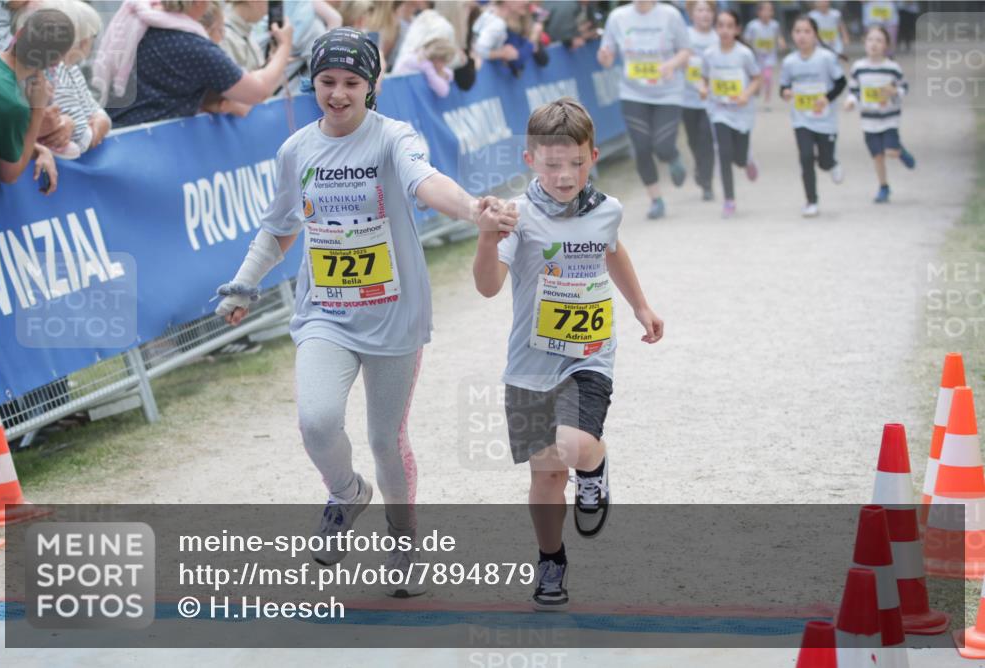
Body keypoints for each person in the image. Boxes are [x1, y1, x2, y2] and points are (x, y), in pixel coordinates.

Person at [214, 28, 517, 596]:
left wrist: (474, 209)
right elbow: (279, 229)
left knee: (385, 439)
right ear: (313, 83)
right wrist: (243, 286)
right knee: (317, 420)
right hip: (325, 313)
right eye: (327, 81)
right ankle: (347, 493)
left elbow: (427, 183)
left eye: (351, 82)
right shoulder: (296, 149)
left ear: (371, 85)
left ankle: (403, 546)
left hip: (394, 315)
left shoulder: (393, 138)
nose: (337, 93)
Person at [472, 97, 664, 611]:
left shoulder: (607, 209)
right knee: (547, 474)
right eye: (552, 164)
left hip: (589, 355)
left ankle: (595, 464)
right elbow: (489, 287)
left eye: (576, 163)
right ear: (529, 160)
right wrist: (488, 239)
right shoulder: (518, 215)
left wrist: (641, 306)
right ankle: (551, 559)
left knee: (571, 449)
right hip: (529, 367)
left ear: (593, 156)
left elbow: (613, 249)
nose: (564, 176)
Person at [96, 0, 293, 127]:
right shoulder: (190, 44)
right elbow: (256, 91)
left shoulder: (140, 22)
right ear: (198, 3)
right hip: (151, 148)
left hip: (123, 134)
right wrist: (284, 45)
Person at [597, 0, 691, 220]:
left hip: (668, 92)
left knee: (663, 146)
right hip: (633, 93)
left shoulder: (670, 15)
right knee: (641, 146)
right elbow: (607, 55)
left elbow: (685, 50)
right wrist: (605, 57)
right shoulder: (618, 17)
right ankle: (656, 199)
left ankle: (672, 155)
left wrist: (671, 64)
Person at [0, 7, 72, 194]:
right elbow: (9, 175)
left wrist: (38, 148)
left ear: (18, 33)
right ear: (55, 62)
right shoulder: (14, 105)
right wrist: (38, 110)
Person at [779, 15, 848, 218]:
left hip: (825, 120)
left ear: (815, 35)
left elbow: (841, 83)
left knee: (824, 161)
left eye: (807, 31)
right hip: (801, 119)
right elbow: (783, 86)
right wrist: (785, 93)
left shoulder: (826, 58)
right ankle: (811, 201)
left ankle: (832, 163)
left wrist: (826, 98)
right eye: (797, 31)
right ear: (792, 35)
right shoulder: (789, 61)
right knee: (806, 157)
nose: (802, 36)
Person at [699, 9, 761, 218]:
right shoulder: (709, 54)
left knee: (739, 159)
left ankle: (747, 160)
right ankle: (729, 199)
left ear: (737, 29)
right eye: (721, 25)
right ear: (716, 29)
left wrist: (746, 94)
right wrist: (703, 88)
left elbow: (756, 78)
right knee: (724, 153)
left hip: (742, 113)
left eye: (729, 26)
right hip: (719, 111)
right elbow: (704, 78)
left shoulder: (744, 53)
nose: (725, 30)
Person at [844, 25, 915, 204]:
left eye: (879, 40)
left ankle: (899, 151)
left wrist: (894, 91)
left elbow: (904, 87)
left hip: (890, 118)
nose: (874, 44)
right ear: (864, 42)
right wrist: (851, 101)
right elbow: (854, 90)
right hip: (869, 120)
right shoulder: (858, 68)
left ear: (886, 45)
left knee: (890, 151)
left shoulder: (892, 68)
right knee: (877, 156)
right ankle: (884, 186)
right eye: (870, 40)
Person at [50, 0, 112, 156]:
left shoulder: (72, 68)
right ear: (84, 40)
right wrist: (98, 127)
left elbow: (98, 112)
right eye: (94, 36)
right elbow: (81, 139)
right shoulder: (55, 73)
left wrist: (100, 122)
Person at [680, 0, 718, 201]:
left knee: (707, 141)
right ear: (691, 14)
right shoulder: (685, 36)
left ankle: (707, 183)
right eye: (700, 10)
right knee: (694, 141)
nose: (705, 14)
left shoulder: (719, 36)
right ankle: (700, 168)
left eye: (708, 10)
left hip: (712, 101)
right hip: (688, 99)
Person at [743, 1, 784, 109]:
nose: (766, 13)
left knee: (767, 78)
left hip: (769, 57)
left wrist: (781, 42)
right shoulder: (752, 26)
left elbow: (778, 36)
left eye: (769, 10)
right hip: (756, 58)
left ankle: (767, 100)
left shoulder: (775, 25)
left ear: (772, 12)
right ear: (758, 12)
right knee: (756, 78)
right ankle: (755, 91)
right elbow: (746, 39)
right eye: (764, 10)